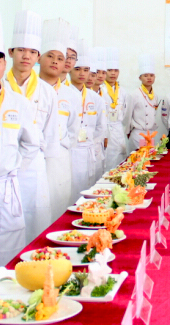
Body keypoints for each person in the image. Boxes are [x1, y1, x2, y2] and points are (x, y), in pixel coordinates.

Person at [0, 9, 40, 270]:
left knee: (8, 256)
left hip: (5, 189)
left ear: (4, 63)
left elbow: (32, 143)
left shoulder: (18, 102)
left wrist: (14, 168)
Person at [5, 10, 58, 243]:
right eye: (21, 50)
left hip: (35, 167)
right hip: (4, 168)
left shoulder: (47, 92)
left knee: (37, 225)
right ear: (11, 52)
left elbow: (51, 135)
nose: (26, 56)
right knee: (7, 230)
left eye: (32, 52)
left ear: (38, 56)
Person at [37, 18, 81, 220]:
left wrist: (59, 146)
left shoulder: (71, 95)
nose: (55, 61)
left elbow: (74, 130)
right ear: (39, 58)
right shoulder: (28, 91)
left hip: (59, 162)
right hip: (31, 161)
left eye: (60, 58)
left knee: (57, 212)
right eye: (50, 56)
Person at [68, 41, 106, 203]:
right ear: (70, 69)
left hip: (90, 149)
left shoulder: (96, 99)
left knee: (90, 189)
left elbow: (101, 127)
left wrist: (90, 141)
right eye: (77, 69)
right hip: (70, 151)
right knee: (71, 192)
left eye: (86, 70)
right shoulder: (64, 94)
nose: (82, 74)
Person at [101, 47, 129, 170]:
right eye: (109, 70)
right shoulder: (101, 89)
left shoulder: (122, 91)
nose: (113, 73)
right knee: (107, 162)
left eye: (116, 70)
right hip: (106, 129)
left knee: (121, 160)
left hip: (118, 129)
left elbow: (126, 113)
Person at [125, 54, 159, 151]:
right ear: (140, 78)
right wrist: (128, 132)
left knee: (150, 157)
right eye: (145, 75)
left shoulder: (155, 96)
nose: (149, 78)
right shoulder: (134, 94)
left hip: (150, 134)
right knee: (139, 158)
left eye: (151, 75)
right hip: (138, 133)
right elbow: (128, 115)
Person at [90, 47, 109, 179]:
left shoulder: (105, 94)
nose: (100, 76)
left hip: (101, 141)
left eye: (103, 73)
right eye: (97, 72)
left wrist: (105, 136)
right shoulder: (86, 94)